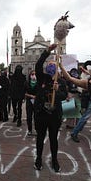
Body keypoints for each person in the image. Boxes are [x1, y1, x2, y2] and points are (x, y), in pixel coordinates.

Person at [33, 44, 68, 172]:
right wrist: (47, 51)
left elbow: (64, 95)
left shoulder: (61, 81)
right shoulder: (42, 78)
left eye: (54, 64)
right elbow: (38, 65)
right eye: (49, 64)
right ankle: (38, 159)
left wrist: (57, 92)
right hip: (41, 114)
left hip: (54, 116)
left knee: (53, 138)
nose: (51, 66)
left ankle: (54, 160)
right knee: (40, 138)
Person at [25, 70, 37, 136]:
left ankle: (36, 129)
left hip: (36, 101)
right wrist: (31, 96)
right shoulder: (27, 83)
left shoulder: (38, 83)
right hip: (29, 101)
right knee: (29, 116)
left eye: (35, 74)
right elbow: (24, 93)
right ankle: (30, 129)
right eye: (32, 74)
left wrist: (36, 96)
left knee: (36, 116)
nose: (33, 76)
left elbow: (41, 91)